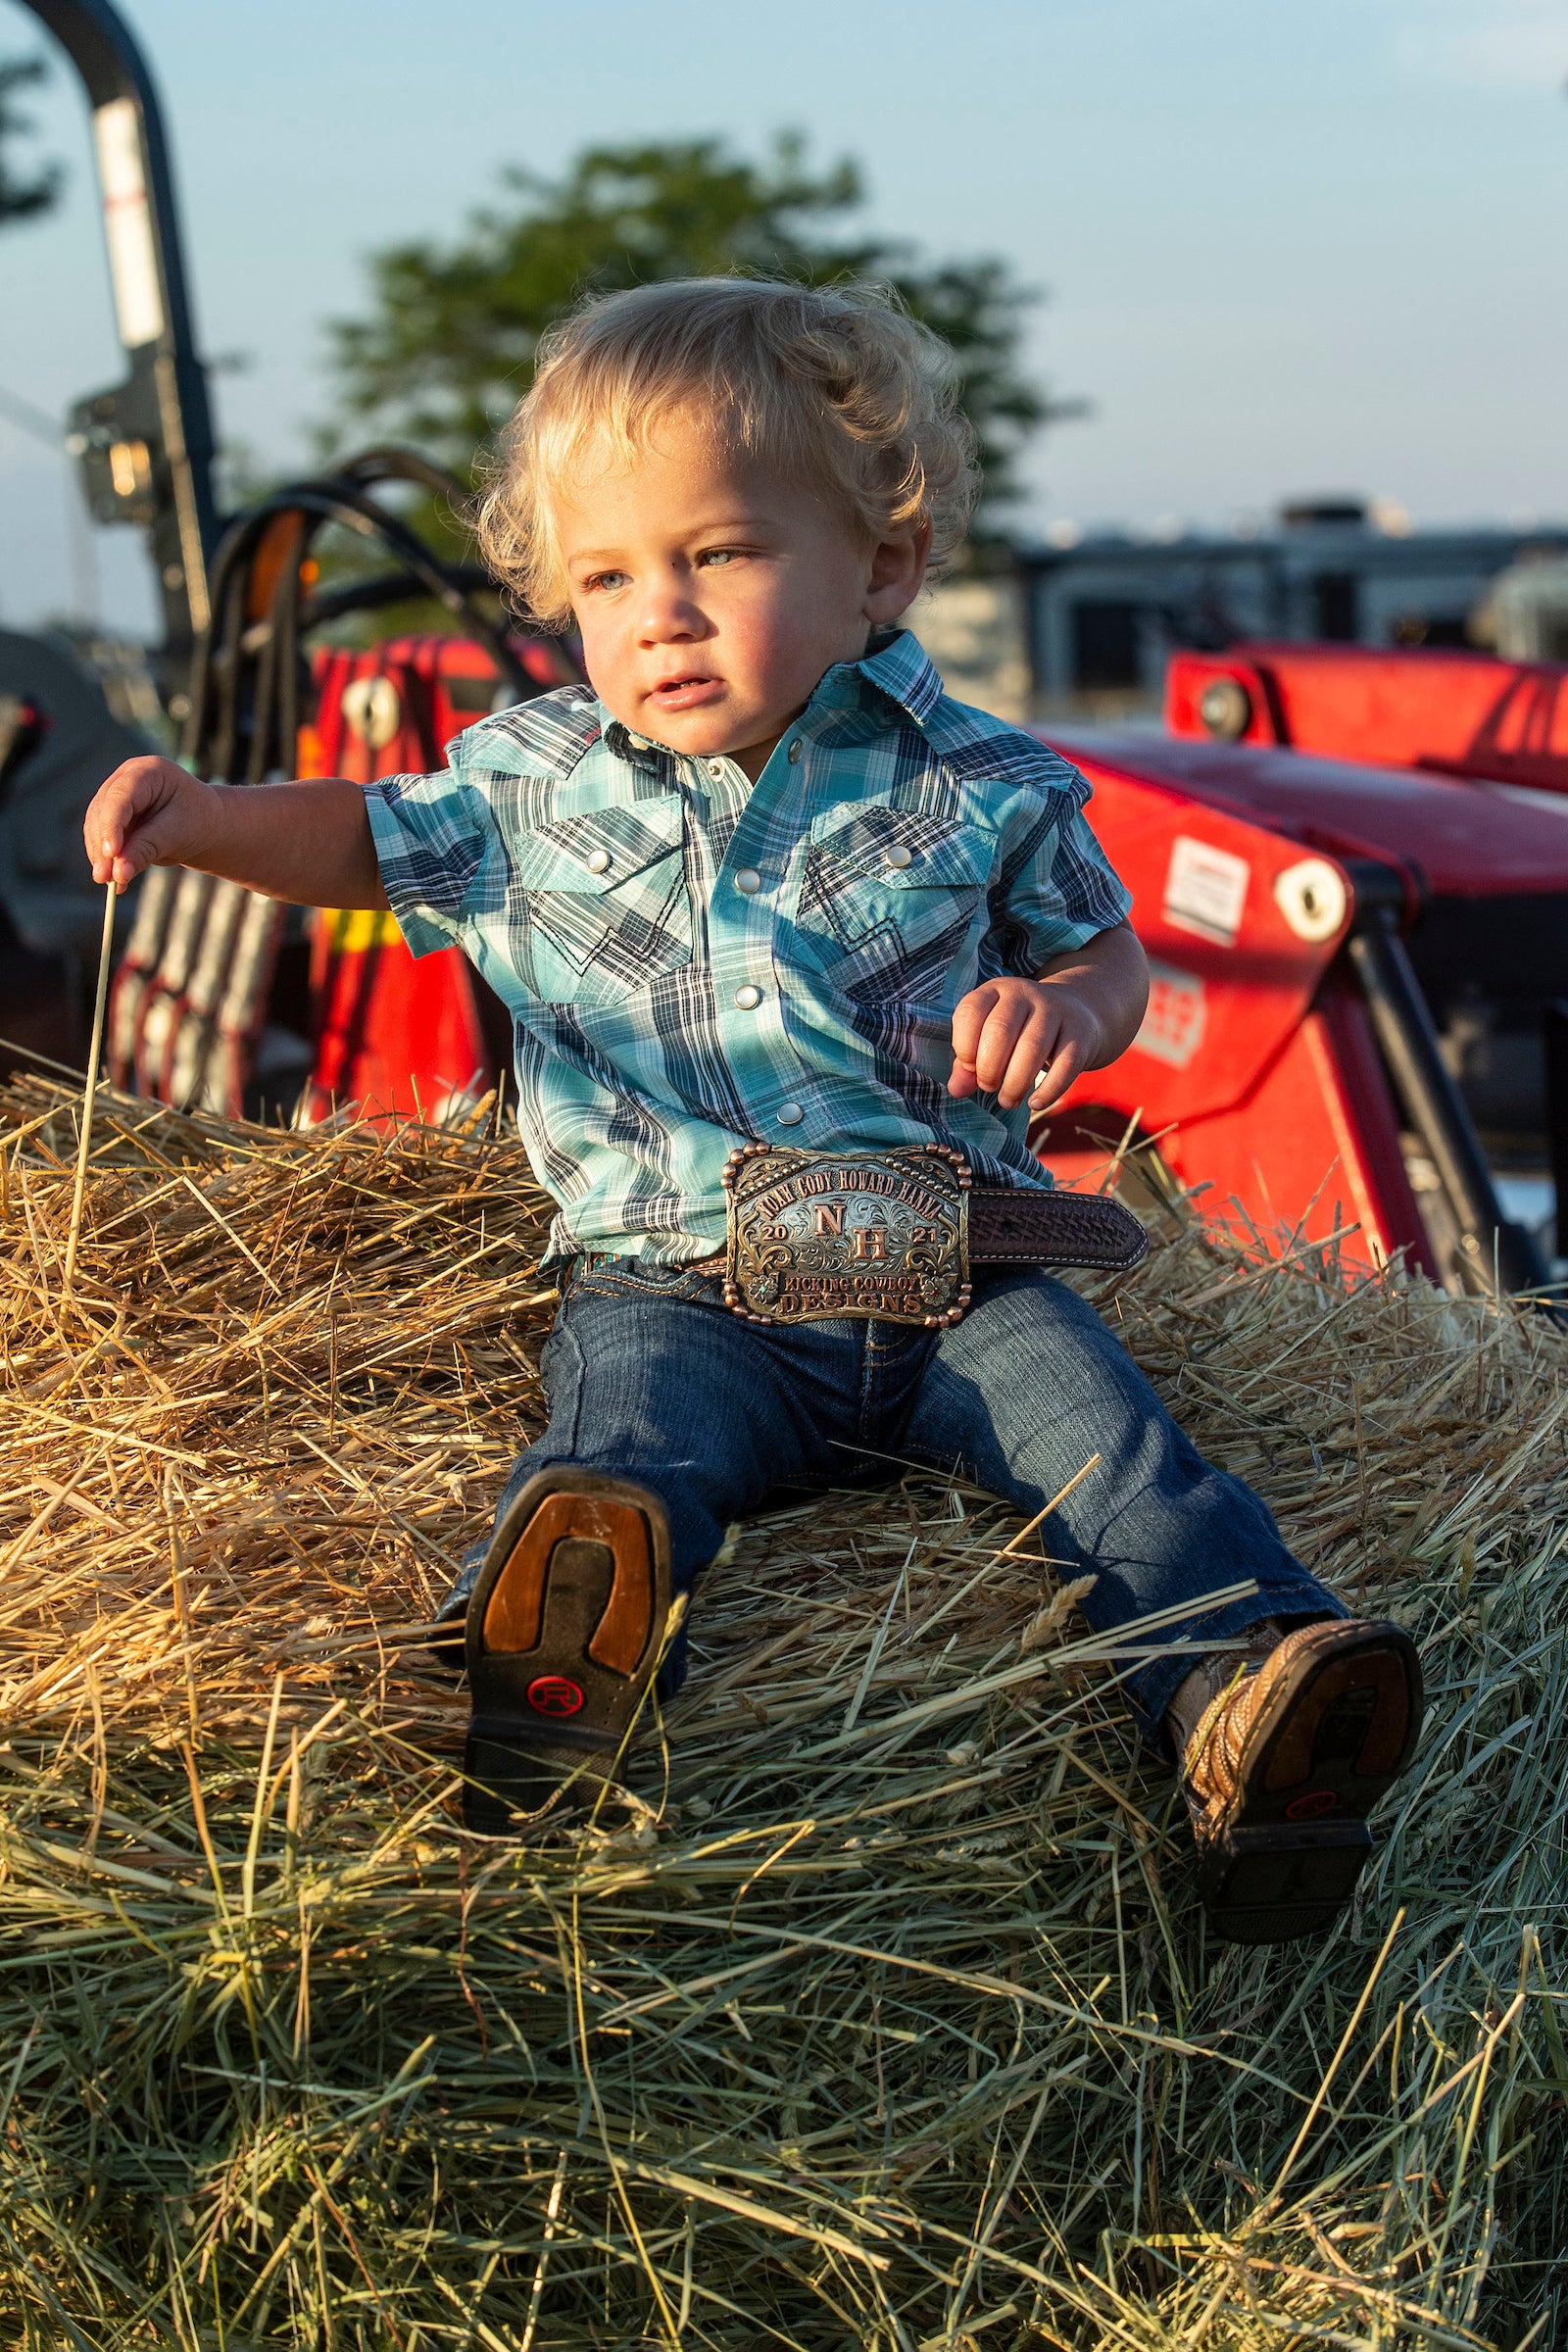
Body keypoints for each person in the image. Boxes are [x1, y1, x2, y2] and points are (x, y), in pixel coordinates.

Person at [83, 278, 1421, 1944]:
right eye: (606, 577)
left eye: (717, 554)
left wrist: (1068, 1012)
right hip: (685, 1281)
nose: (660, 615)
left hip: (959, 1280)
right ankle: (556, 1670)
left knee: (1124, 1461)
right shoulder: (532, 781)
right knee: (625, 1446)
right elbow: (362, 839)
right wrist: (205, 816)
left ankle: (1254, 1706)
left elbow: (1106, 954)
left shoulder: (982, 780)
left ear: (883, 566)